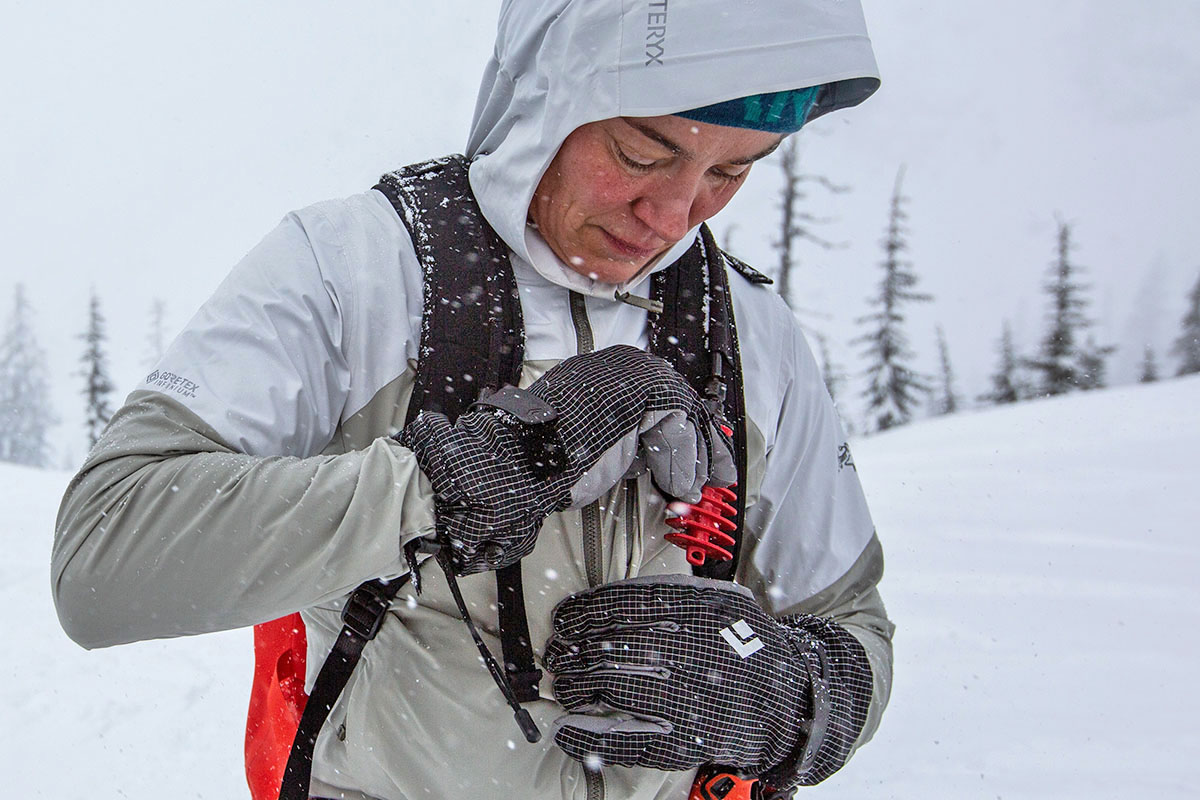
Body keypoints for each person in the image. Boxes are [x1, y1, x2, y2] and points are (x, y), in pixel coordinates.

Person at [53, 1, 895, 798]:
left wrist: (799, 698)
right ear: (553, 94)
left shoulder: (750, 331)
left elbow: (852, 624)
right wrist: (442, 486)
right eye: (643, 154)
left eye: (731, 172)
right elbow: (101, 560)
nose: (674, 214)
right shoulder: (357, 269)